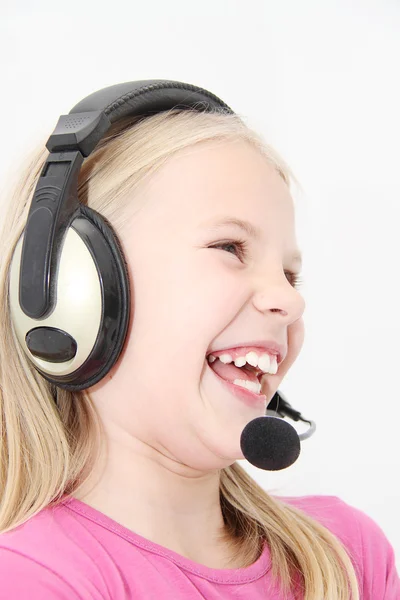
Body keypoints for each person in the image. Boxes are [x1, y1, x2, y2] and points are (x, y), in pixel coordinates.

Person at [0, 81, 398, 600]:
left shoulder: (343, 556)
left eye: (290, 274)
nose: (289, 300)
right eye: (230, 247)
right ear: (70, 289)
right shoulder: (35, 578)